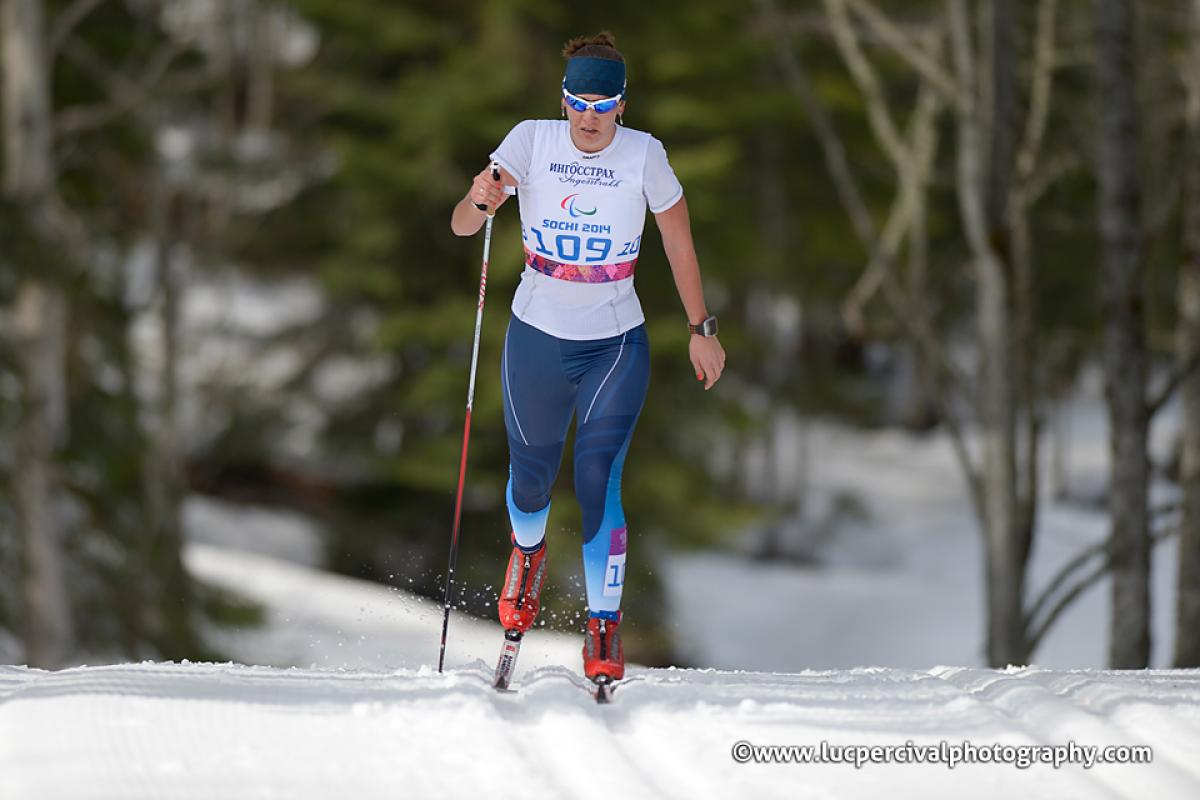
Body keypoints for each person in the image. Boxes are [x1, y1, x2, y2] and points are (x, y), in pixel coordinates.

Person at [450, 31, 725, 685]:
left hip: (615, 342)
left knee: (599, 479)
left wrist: (700, 327)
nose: (591, 117)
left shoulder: (645, 156)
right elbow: (465, 224)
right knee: (531, 481)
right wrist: (478, 198)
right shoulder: (531, 140)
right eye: (580, 102)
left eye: (605, 105)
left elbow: (679, 241)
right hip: (537, 338)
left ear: (623, 105)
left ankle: (603, 625)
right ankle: (526, 555)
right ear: (564, 100)